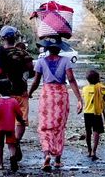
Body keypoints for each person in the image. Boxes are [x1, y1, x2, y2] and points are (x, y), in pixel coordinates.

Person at [28, 38, 83, 172]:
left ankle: (47, 154)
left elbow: (35, 82)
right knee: (59, 127)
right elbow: (71, 80)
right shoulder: (65, 61)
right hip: (61, 96)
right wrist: (79, 99)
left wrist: (29, 93)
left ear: (46, 49)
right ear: (60, 49)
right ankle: (57, 160)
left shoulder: (41, 62)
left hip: (47, 95)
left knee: (45, 126)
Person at [0, 26, 34, 161]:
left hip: (4, 95)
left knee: (7, 120)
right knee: (21, 120)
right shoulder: (23, 53)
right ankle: (16, 141)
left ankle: (11, 144)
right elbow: (31, 71)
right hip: (21, 92)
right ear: (16, 38)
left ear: (2, 38)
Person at [0, 79, 27, 171]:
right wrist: (22, 121)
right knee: (11, 145)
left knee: (0, 146)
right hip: (10, 127)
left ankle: (0, 164)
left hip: (0, 128)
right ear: (10, 89)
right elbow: (19, 114)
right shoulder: (13, 101)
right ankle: (13, 158)